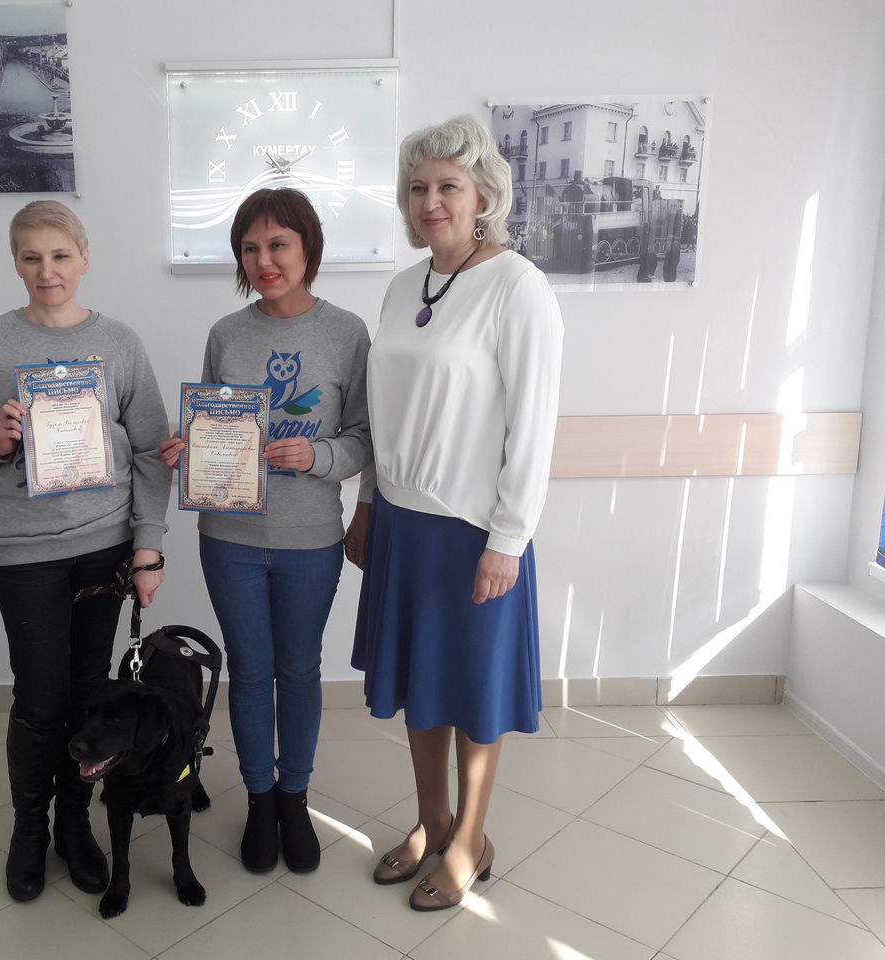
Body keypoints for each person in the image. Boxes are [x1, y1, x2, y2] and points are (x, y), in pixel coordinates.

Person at [344, 115, 563, 911]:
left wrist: (509, 539)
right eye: (417, 187)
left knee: (471, 690)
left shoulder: (517, 286)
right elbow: (385, 413)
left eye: (447, 186)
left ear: (482, 196)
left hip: (474, 530)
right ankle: (432, 821)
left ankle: (470, 837)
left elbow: (533, 427)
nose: (430, 200)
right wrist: (368, 502)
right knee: (419, 682)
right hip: (403, 522)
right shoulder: (404, 286)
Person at [0, 200, 171, 902]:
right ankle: (30, 831)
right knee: (40, 698)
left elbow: (151, 453)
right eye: (31, 257)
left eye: (60, 255)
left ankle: (75, 825)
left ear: (84, 258)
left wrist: (148, 546)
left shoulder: (119, 343)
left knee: (90, 694)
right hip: (24, 549)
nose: (47, 270)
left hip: (104, 545)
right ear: (16, 263)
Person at [161, 188, 371, 874]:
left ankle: (293, 799)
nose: (264, 260)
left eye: (278, 244)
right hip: (230, 538)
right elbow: (211, 426)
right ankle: (258, 800)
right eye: (250, 249)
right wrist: (188, 450)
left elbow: (365, 439)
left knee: (299, 670)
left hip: (311, 537)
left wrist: (318, 456)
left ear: (309, 248)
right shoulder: (227, 334)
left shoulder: (346, 333)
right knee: (250, 672)